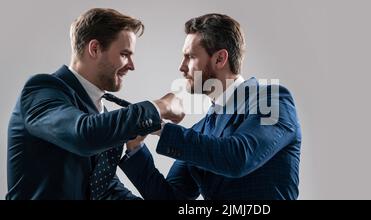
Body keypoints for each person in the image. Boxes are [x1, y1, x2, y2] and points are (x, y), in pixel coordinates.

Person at [6, 8, 184, 200]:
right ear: (95, 49)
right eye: (125, 54)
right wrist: (160, 106)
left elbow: (103, 188)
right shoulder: (41, 90)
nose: (132, 66)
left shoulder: (100, 113)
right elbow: (84, 135)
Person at [120, 13, 302, 200]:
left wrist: (158, 126)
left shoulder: (273, 100)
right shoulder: (201, 130)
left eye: (190, 57)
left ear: (220, 59)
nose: (182, 67)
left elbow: (238, 158)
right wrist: (135, 147)